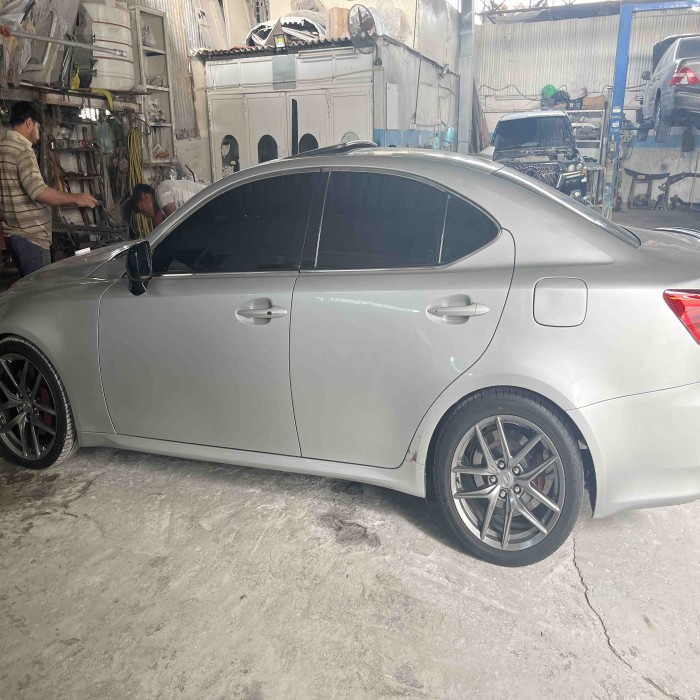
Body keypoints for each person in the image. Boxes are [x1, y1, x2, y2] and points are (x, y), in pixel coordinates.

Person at [0, 102, 97, 277]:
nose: (38, 132)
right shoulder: (22, 150)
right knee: (39, 290)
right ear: (29, 123)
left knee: (28, 288)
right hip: (31, 237)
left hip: (13, 234)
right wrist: (76, 198)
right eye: (38, 126)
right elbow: (39, 192)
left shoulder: (3, 146)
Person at [130, 179, 206, 225]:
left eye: (142, 210)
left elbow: (174, 221)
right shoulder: (162, 202)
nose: (144, 215)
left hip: (208, 202)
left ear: (144, 196)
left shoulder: (161, 192)